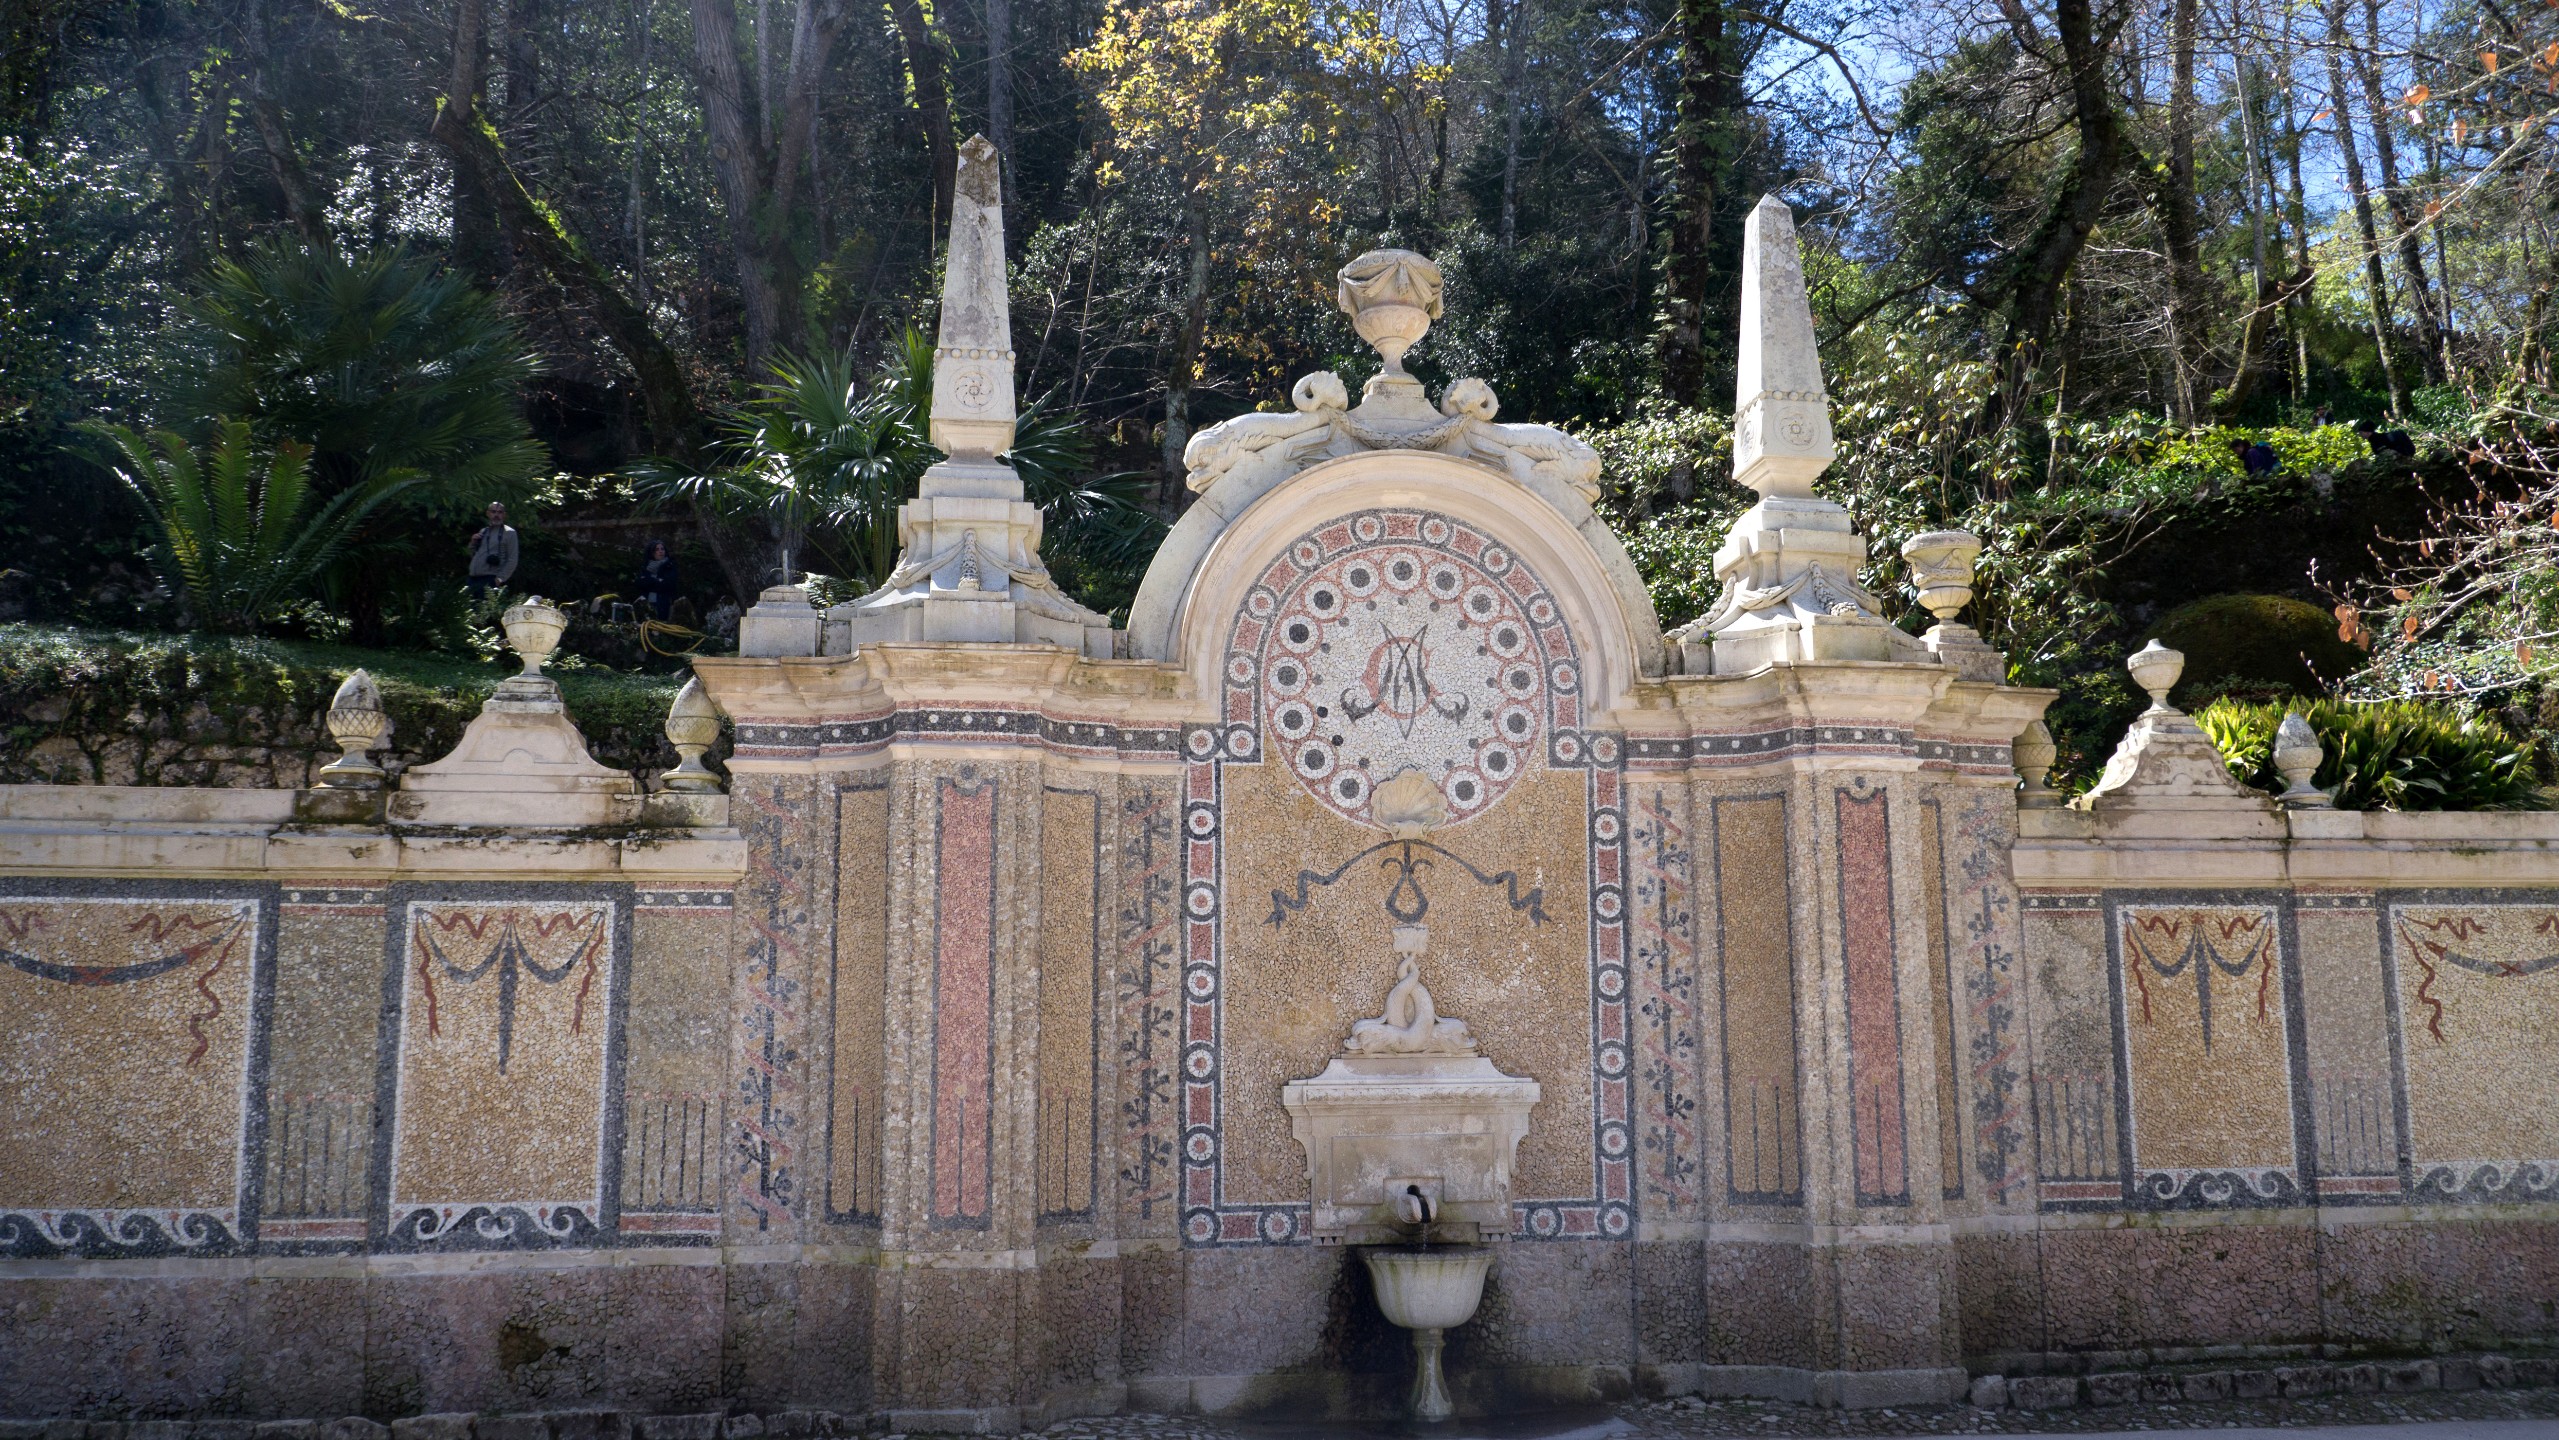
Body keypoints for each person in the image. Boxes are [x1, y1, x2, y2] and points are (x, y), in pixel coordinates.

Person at [467, 502, 519, 596]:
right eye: (493, 512)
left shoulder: (509, 532)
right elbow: (473, 555)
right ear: (488, 513)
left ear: (504, 515)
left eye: (500, 512)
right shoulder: (484, 531)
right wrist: (473, 542)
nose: (496, 515)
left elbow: (513, 559)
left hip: (491, 579)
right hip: (473, 578)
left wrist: (500, 579)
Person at [634, 539, 682, 621]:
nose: (660, 551)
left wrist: (650, 582)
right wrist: (656, 581)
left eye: (662, 549)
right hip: (647, 602)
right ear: (652, 552)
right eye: (657, 549)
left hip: (663, 603)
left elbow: (668, 585)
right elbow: (640, 583)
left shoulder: (669, 566)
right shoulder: (646, 567)